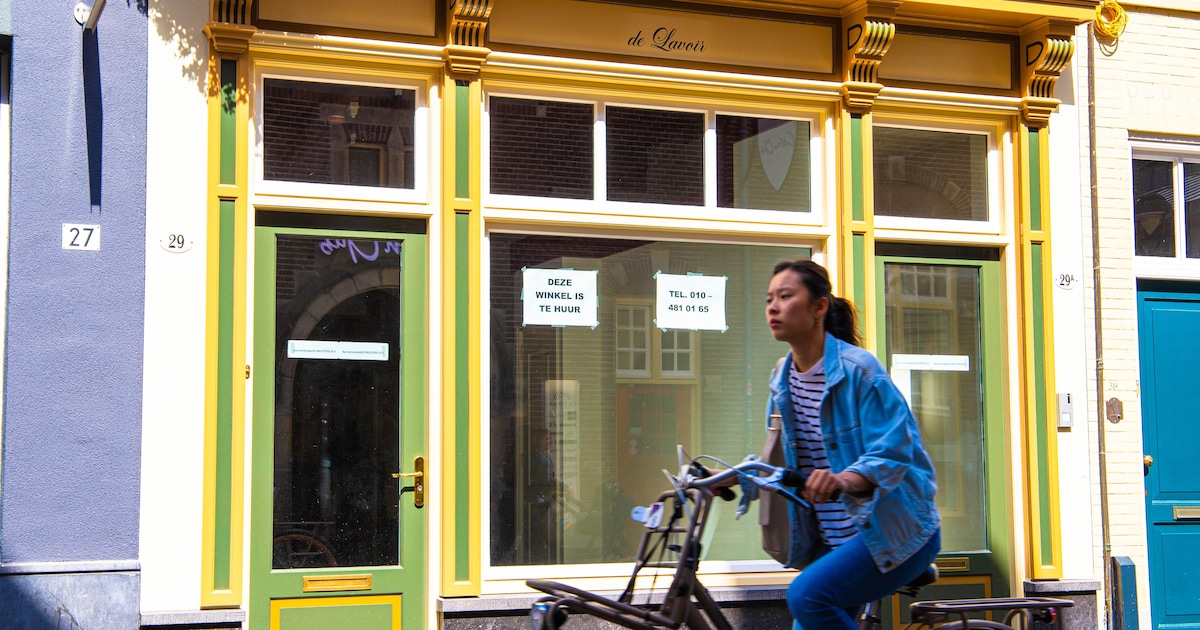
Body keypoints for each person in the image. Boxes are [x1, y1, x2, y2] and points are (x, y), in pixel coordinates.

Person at [764, 259, 941, 630]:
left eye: (786, 296)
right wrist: (729, 477)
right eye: (770, 298)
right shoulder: (782, 379)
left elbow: (893, 452)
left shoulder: (860, 370)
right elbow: (780, 460)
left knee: (805, 596)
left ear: (819, 307)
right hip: (833, 541)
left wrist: (843, 479)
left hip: (894, 531)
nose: (773, 307)